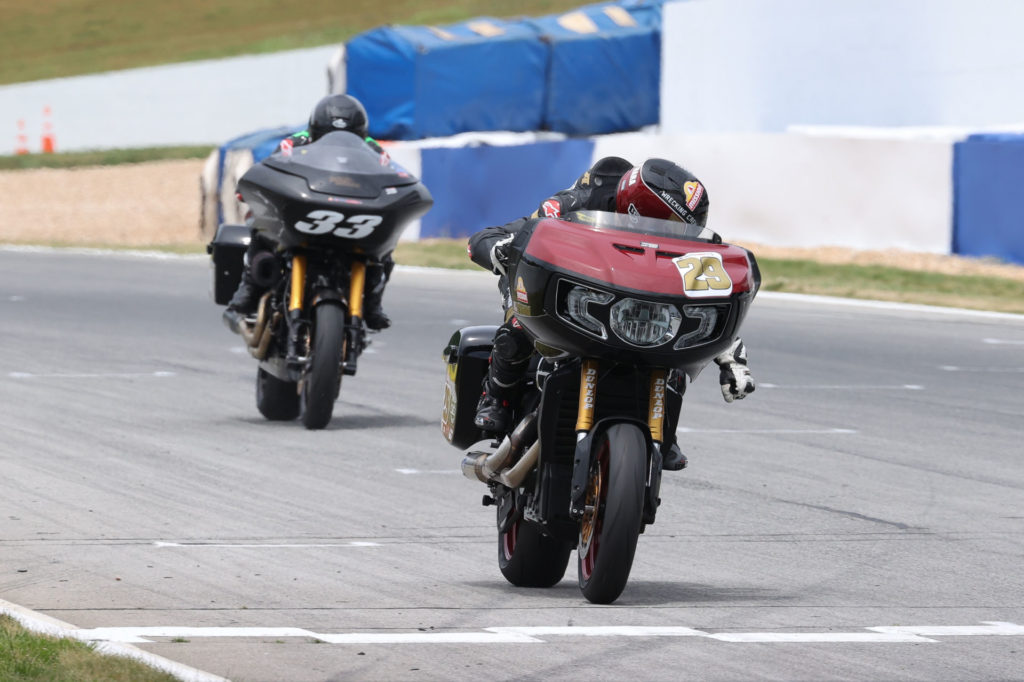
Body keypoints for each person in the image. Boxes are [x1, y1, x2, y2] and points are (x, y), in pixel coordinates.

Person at [466, 157, 756, 471]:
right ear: (639, 211)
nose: (684, 232)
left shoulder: (673, 245)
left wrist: (729, 350)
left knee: (676, 350)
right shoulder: (585, 198)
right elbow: (511, 234)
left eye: (690, 225)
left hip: (627, 306)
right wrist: (500, 249)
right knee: (519, 325)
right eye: (677, 222)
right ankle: (495, 397)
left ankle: (663, 431)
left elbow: (700, 295)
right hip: (569, 290)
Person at [223, 94, 394, 333]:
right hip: (305, 210)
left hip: (351, 216)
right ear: (315, 130)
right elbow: (269, 169)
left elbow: (392, 179)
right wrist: (252, 187)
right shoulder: (293, 144)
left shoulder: (375, 151)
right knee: (262, 224)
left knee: (385, 244)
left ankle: (372, 304)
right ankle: (249, 290)